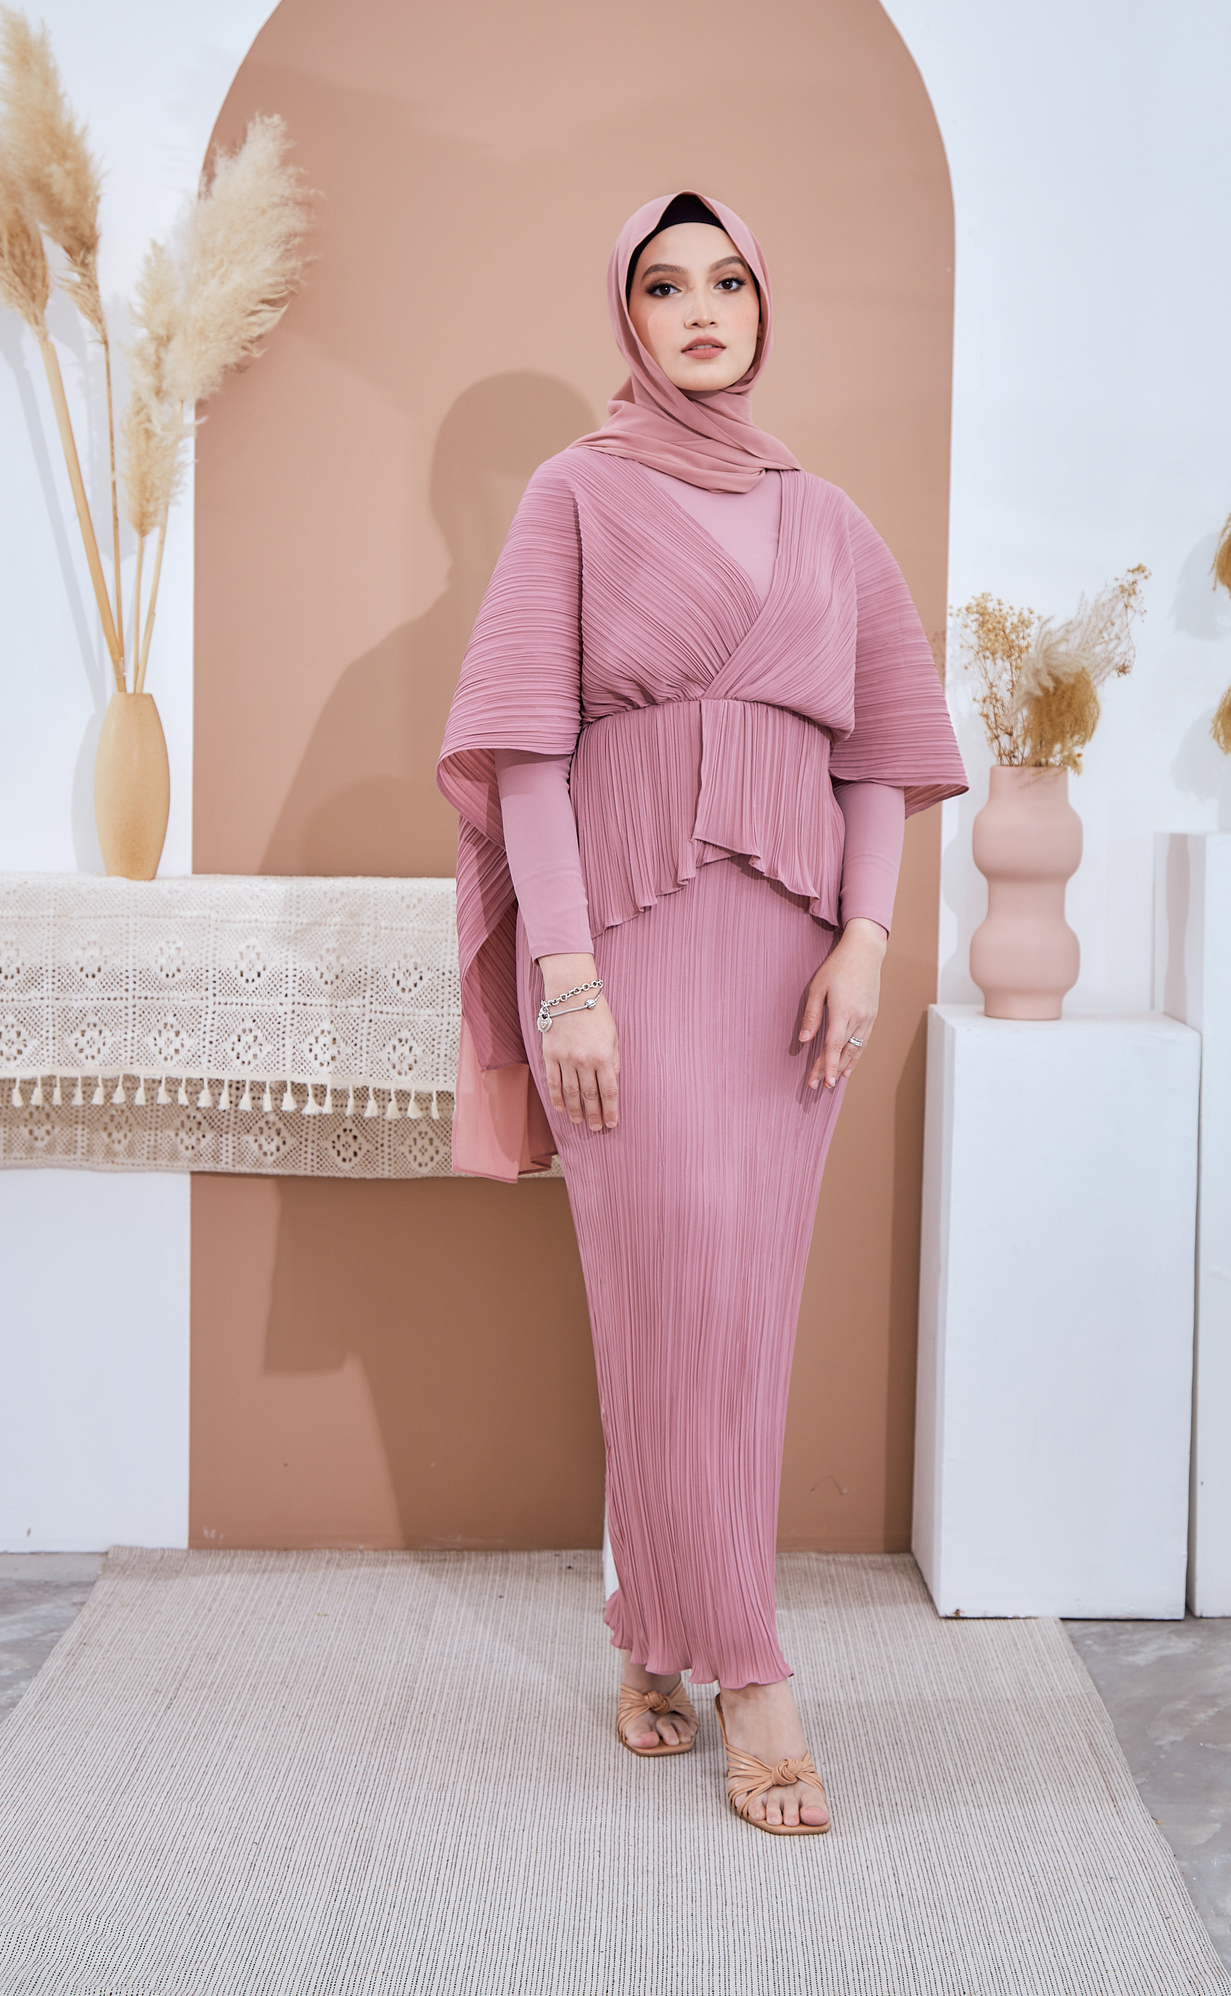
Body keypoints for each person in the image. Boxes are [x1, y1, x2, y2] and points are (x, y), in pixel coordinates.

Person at [438, 192, 965, 1835]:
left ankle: (651, 1630)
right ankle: (757, 1676)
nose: (701, 308)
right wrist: (567, 980)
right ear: (629, 316)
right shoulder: (574, 494)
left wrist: (867, 941)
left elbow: (881, 755)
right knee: (664, 1306)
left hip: (791, 972)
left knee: (739, 1320)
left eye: (727, 280)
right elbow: (527, 759)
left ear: (761, 302)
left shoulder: (830, 519)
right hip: (627, 958)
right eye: (665, 286)